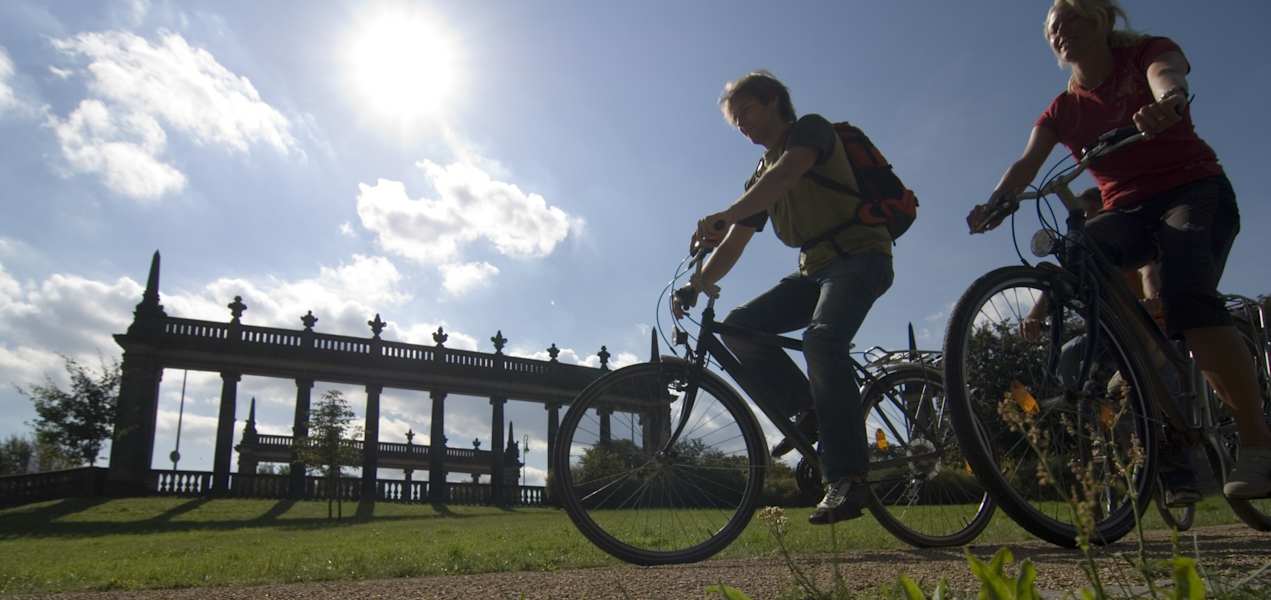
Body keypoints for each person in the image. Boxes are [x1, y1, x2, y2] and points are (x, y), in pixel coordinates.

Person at [967, 0, 1271, 499]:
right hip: (1126, 211)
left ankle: (1259, 443)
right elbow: (1027, 162)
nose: (1061, 34)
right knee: (1081, 250)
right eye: (1052, 31)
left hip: (1192, 191)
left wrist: (1167, 102)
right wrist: (997, 202)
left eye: (1071, 21)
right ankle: (1146, 383)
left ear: (1102, 20)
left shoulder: (1146, 54)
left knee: (1186, 295)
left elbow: (1167, 77)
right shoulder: (1063, 109)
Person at [672, 71, 895, 524]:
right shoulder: (759, 172)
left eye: (745, 112)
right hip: (814, 272)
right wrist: (695, 285)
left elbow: (790, 172)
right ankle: (810, 407)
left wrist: (727, 212)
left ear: (773, 100)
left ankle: (848, 477)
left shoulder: (810, 130)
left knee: (822, 340)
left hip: (860, 257)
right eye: (734, 120)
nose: (741, 125)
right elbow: (735, 240)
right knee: (738, 327)